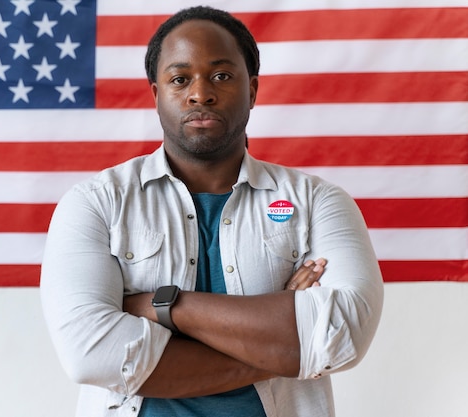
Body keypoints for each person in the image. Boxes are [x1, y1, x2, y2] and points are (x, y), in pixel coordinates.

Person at [40, 6, 383, 417]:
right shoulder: (97, 202)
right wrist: (285, 343)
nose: (200, 93)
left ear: (252, 90)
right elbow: (90, 354)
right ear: (156, 93)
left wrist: (164, 306)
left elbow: (344, 336)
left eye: (221, 76)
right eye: (180, 78)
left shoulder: (318, 202)